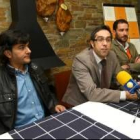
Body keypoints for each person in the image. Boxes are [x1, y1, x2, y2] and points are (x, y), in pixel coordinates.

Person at [0, 29, 66, 134]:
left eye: (27, 46)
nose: (29, 51)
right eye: (22, 47)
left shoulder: (36, 69)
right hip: (20, 131)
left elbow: (48, 93)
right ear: (8, 54)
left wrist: (55, 104)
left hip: (46, 122)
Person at [62, 25, 138, 106]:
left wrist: (133, 88)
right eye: (100, 39)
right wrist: (125, 95)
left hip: (101, 101)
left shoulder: (111, 55)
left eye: (108, 40)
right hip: (80, 104)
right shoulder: (81, 60)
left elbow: (118, 79)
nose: (105, 43)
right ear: (92, 43)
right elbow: (91, 93)